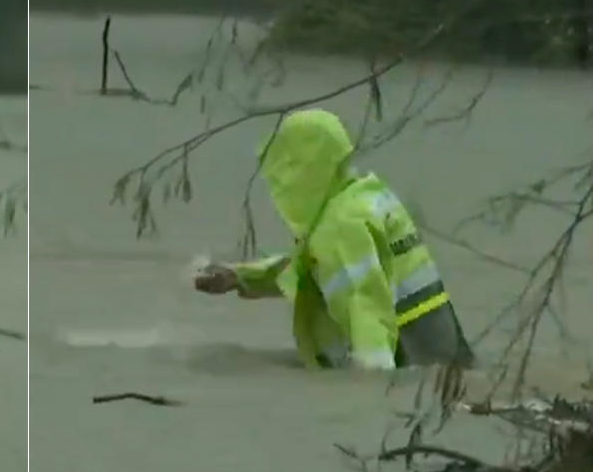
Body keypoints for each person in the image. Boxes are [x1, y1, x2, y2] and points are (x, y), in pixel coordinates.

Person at [194, 109, 474, 371]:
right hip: (443, 358)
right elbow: (318, 267)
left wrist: (370, 389)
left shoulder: (341, 225)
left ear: (303, 168)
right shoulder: (365, 196)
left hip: (407, 357)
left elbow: (364, 304)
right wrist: (241, 276)